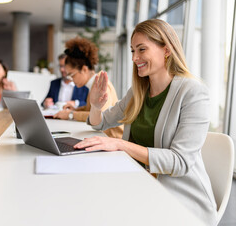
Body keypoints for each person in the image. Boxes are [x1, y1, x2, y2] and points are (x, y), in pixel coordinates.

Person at [74, 19, 217, 225]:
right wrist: (96, 105)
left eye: (141, 49)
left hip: (178, 200)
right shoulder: (138, 92)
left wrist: (120, 145)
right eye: (132, 51)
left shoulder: (193, 93)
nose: (135, 57)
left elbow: (180, 162)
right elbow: (101, 123)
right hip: (137, 185)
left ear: (166, 50)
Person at [54, 38, 123, 139]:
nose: (71, 80)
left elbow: (100, 117)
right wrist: (76, 109)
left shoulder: (101, 85)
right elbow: (91, 109)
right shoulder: (93, 85)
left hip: (111, 139)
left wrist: (71, 114)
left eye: (72, 75)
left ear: (84, 69)